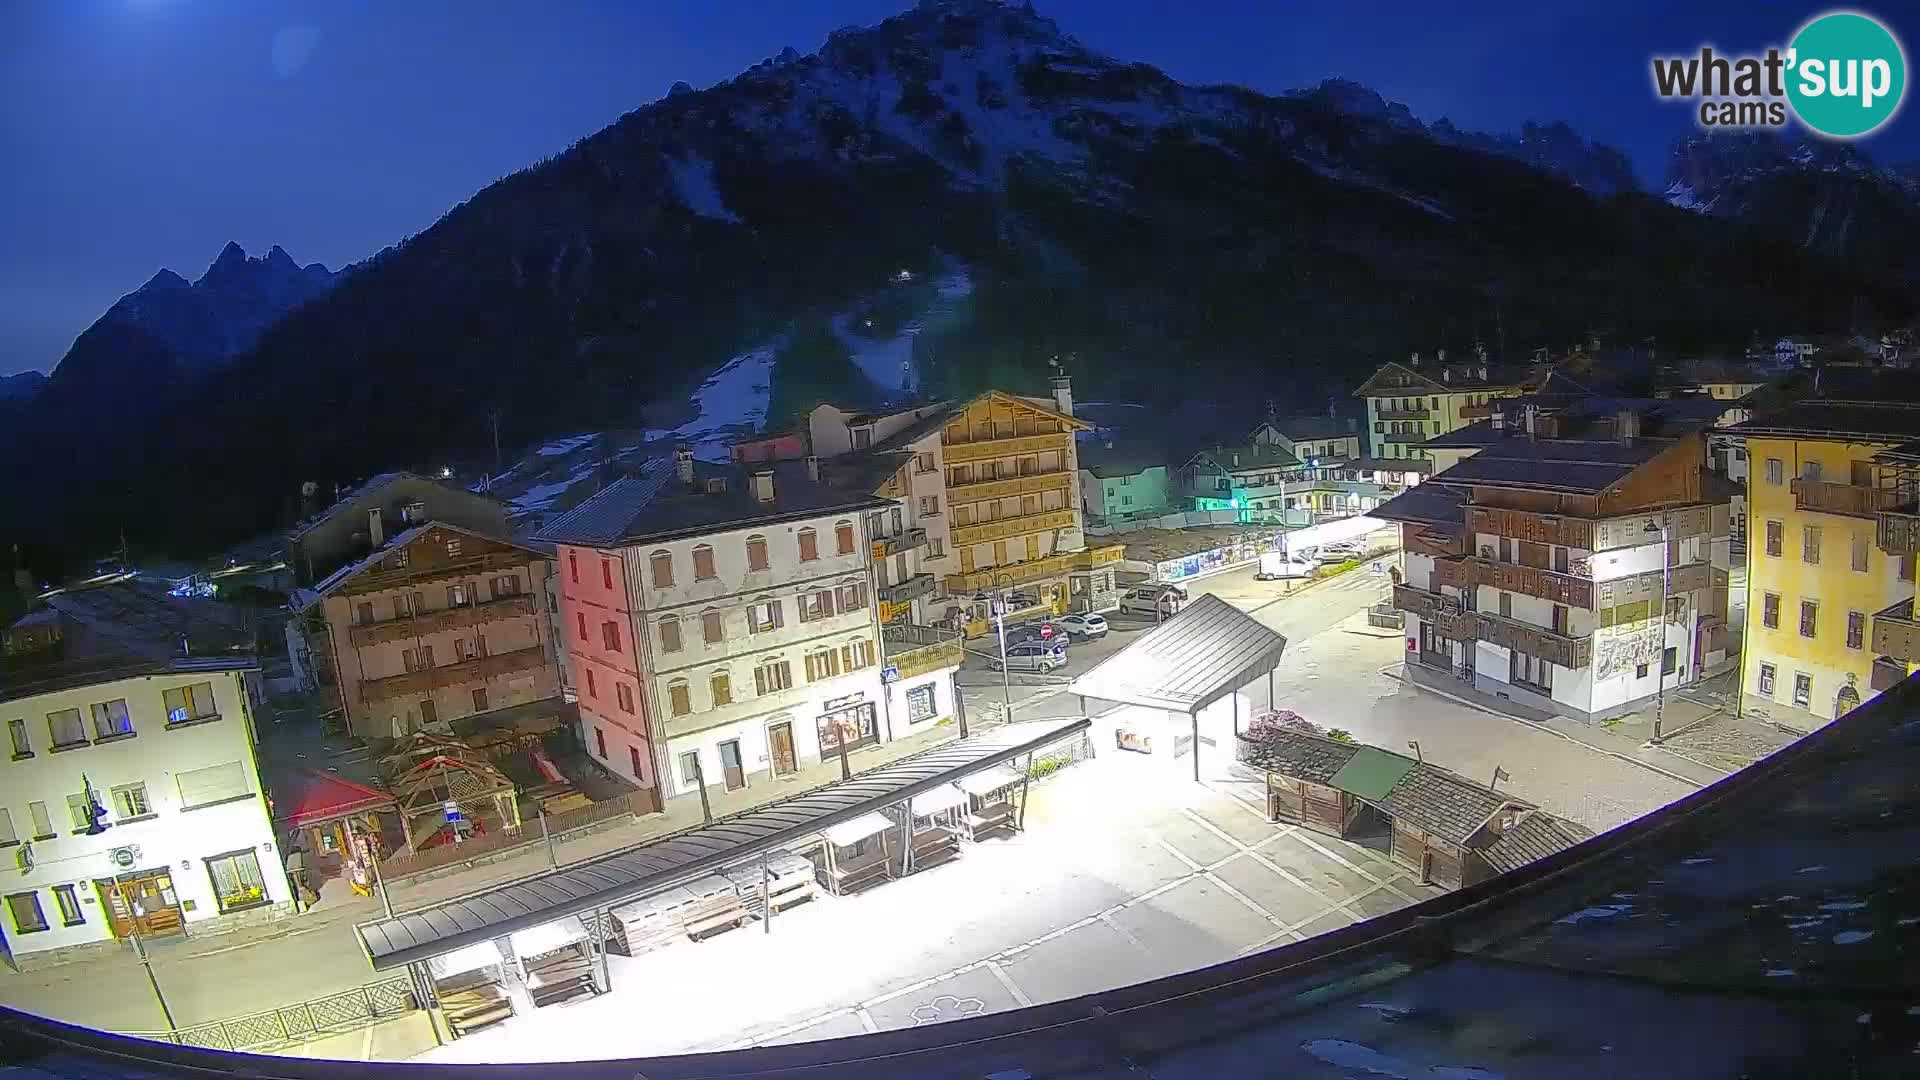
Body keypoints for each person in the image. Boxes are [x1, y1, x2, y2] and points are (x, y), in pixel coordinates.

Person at [284, 844, 314, 911]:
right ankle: (304, 902)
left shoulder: (292, 858)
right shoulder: (297, 857)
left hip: (295, 874)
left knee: (300, 887)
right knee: (300, 886)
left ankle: (303, 903)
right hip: (297, 873)